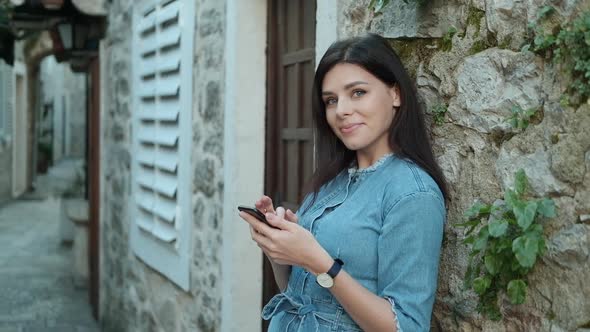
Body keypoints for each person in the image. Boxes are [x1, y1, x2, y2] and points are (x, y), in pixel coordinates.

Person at [239, 33, 449, 332]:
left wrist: (319, 262)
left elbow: (407, 326)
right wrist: (281, 249)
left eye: (358, 92)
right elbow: (299, 294)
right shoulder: (332, 180)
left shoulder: (413, 194)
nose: (341, 111)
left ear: (395, 94)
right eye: (331, 100)